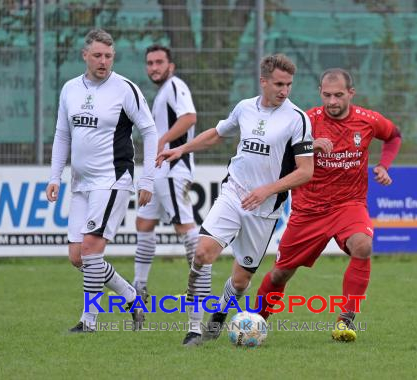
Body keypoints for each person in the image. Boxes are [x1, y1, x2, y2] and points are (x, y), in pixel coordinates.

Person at [156, 54, 314, 346]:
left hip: (265, 210)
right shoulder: (244, 108)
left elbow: (306, 171)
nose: (284, 90)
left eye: (289, 84)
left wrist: (267, 190)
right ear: (263, 81)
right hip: (234, 193)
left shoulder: (297, 119)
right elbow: (216, 135)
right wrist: (180, 150)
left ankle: (218, 316)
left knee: (240, 282)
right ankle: (194, 329)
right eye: (279, 84)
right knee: (202, 253)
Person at [255, 68, 402, 342]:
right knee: (280, 273)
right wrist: (308, 145)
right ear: (320, 93)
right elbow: (277, 150)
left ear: (351, 93)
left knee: (363, 245)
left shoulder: (368, 120)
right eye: (327, 95)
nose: (332, 101)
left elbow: (394, 135)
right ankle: (256, 320)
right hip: (308, 209)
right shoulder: (305, 121)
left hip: (349, 204)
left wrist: (383, 165)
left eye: (338, 95)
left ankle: (345, 320)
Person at [45, 29, 158, 332]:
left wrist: (147, 180)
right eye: (97, 55)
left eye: (108, 56)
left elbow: (149, 130)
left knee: (92, 251)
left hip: (112, 179)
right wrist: (55, 176)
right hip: (81, 182)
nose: (103, 61)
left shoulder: (125, 89)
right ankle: (132, 296)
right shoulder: (70, 89)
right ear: (85, 55)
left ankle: (89, 322)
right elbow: (62, 134)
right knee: (78, 257)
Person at [132, 45, 198, 301]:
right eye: (150, 63)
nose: (154, 67)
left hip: (173, 169)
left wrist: (162, 141)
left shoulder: (174, 86)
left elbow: (190, 117)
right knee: (144, 223)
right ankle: (139, 286)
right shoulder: (163, 91)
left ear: (171, 65)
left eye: (159, 62)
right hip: (160, 171)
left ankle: (198, 288)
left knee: (185, 226)